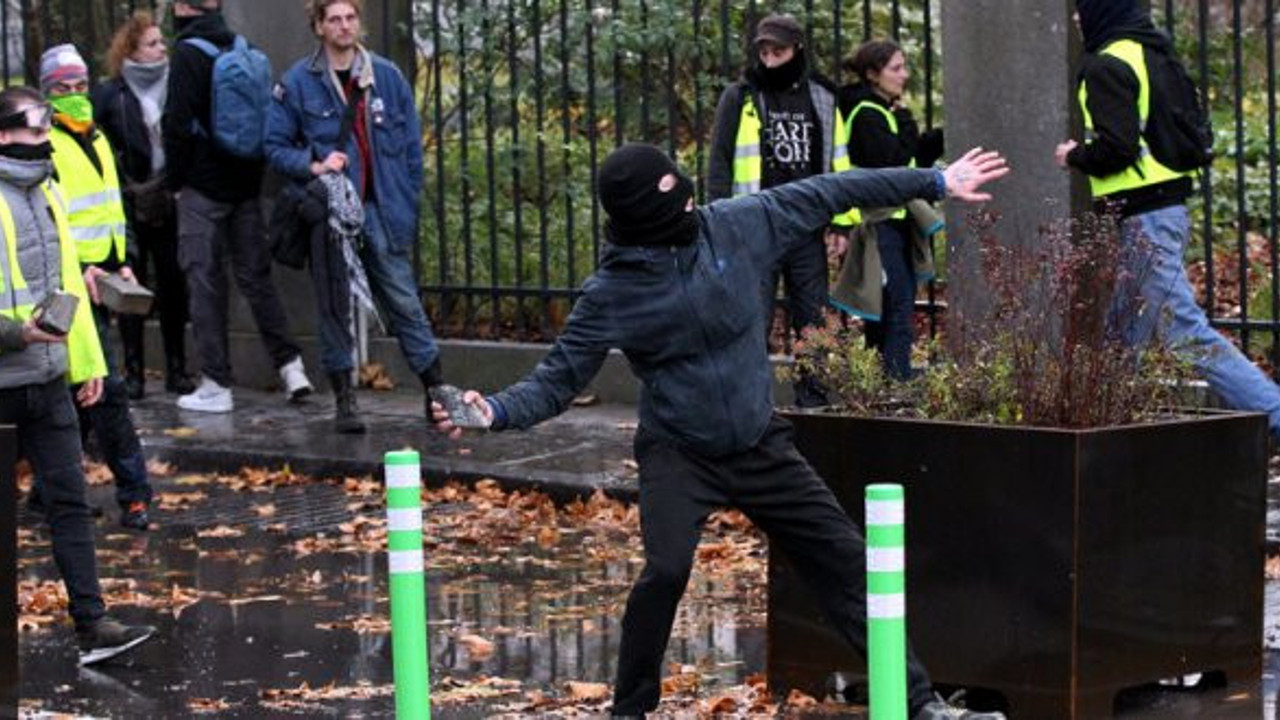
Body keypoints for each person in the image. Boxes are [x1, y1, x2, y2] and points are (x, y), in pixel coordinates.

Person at [433, 142, 1010, 720]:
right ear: (640, 217)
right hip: (680, 453)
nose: (690, 206)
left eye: (686, 193)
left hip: (760, 443)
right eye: (672, 201)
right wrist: (493, 411)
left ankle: (918, 703)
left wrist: (934, 180)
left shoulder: (738, 225)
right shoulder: (611, 294)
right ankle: (628, 710)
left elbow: (838, 188)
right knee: (666, 571)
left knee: (848, 563)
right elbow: (555, 382)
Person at [1056, 0, 1280, 441]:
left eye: (1083, 13)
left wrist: (1074, 155)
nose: (1079, 22)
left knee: (1182, 329)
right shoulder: (1149, 49)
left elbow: (1117, 148)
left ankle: (1274, 412)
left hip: (1144, 213)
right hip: (1162, 207)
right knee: (1122, 329)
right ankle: (1102, 420)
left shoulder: (1106, 63)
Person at [0, 85, 156, 664]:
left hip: (47, 380)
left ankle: (92, 624)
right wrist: (18, 334)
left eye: (47, 132)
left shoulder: (47, 194)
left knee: (68, 502)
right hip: (4, 380)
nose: (44, 142)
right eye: (33, 131)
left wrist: (87, 365)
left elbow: (70, 282)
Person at [265, 0, 445, 434]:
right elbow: (274, 145)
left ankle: (435, 392)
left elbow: (410, 150)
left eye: (350, 18)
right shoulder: (297, 83)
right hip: (331, 212)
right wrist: (314, 166)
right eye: (334, 19)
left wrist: (407, 199)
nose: (344, 26)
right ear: (319, 27)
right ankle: (345, 400)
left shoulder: (387, 76)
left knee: (403, 299)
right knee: (333, 306)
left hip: (382, 209)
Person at [164, 0, 313, 413]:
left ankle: (216, 383)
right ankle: (291, 368)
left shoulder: (188, 52)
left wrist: (175, 183)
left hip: (202, 188)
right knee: (257, 280)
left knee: (204, 282)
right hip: (246, 185)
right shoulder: (241, 47)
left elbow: (176, 124)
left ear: (179, 7)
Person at [707, 13, 844, 407]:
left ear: (797, 49)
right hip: (755, 225)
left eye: (778, 51)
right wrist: (719, 219)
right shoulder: (742, 95)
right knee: (752, 317)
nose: (769, 59)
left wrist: (841, 222)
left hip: (806, 225)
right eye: (763, 51)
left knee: (813, 319)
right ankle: (748, 404)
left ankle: (815, 401)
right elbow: (720, 162)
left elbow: (839, 161)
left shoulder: (823, 95)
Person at [42, 44, 153, 531]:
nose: (74, 97)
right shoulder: (46, 147)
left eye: (80, 87)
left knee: (80, 392)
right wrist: (83, 268)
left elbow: (113, 207)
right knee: (106, 390)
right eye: (63, 90)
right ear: (48, 94)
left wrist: (122, 261)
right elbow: (53, 221)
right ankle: (134, 494)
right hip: (73, 282)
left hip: (102, 278)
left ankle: (48, 494)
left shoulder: (98, 138)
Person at [94, 10, 196, 400]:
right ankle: (133, 372)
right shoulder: (111, 93)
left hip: (169, 197)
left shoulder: (176, 85)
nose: (161, 49)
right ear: (131, 50)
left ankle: (177, 369)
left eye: (161, 41)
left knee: (174, 287)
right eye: (152, 43)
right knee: (131, 288)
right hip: (129, 202)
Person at [834, 40, 945, 380]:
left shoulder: (881, 110)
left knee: (888, 308)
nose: (905, 75)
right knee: (894, 308)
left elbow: (908, 160)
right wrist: (909, 123)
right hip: (880, 225)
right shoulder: (867, 113)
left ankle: (882, 384)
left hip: (893, 224)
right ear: (872, 74)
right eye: (896, 68)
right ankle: (895, 385)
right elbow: (895, 168)